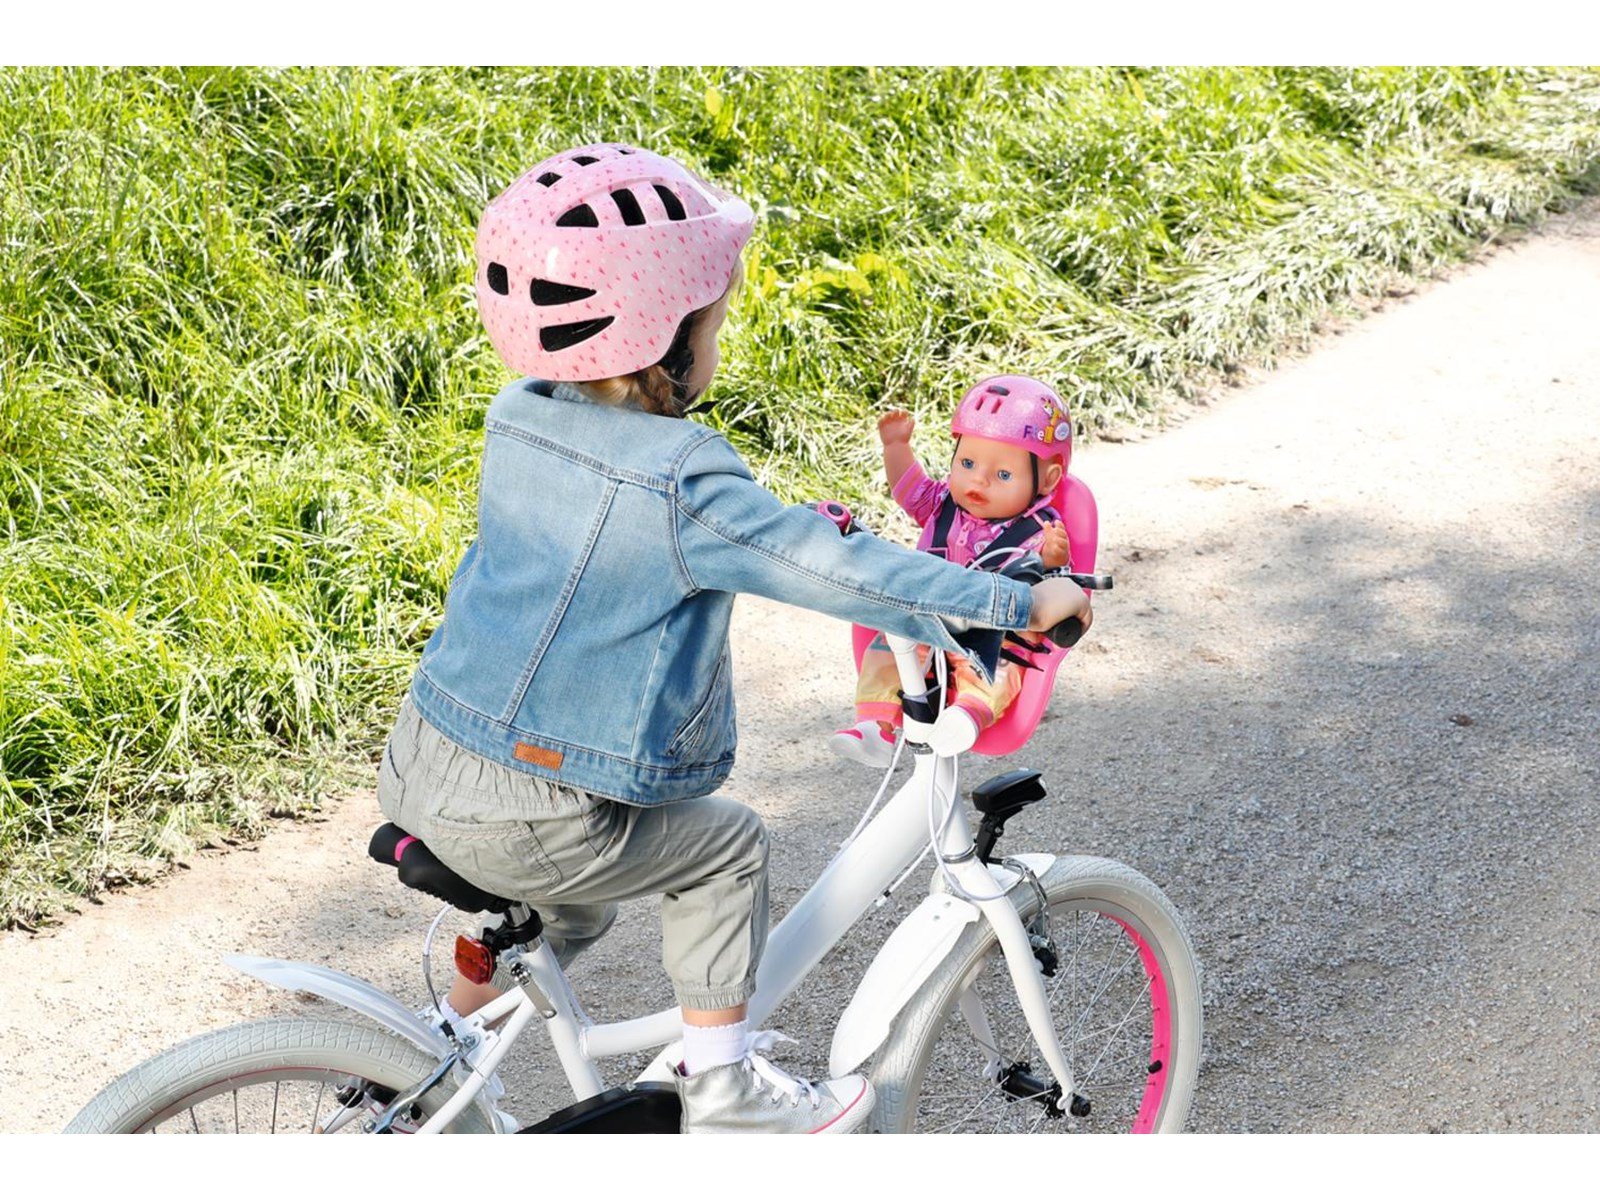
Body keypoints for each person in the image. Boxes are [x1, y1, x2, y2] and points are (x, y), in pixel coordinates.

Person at [375, 144, 1093, 1134]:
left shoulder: (520, 413)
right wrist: (1012, 603)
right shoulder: (682, 479)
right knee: (727, 849)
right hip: (536, 811)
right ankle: (724, 1091)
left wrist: (773, 520)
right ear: (665, 338)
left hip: (424, 759)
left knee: (569, 911)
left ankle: (430, 1044)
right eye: (713, 320)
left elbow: (649, 528)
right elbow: (836, 571)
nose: (718, 335)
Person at [831, 376, 1077, 766]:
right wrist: (896, 447)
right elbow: (907, 489)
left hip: (990, 629)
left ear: (1047, 480)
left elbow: (1056, 593)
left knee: (998, 665)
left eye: (1003, 475)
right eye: (967, 463)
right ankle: (876, 725)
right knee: (888, 648)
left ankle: (968, 714)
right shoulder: (942, 502)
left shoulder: (1040, 528)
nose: (977, 480)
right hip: (927, 617)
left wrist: (1051, 559)